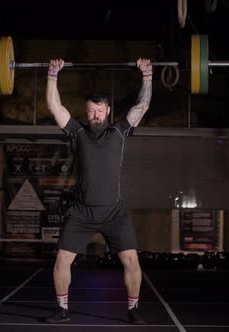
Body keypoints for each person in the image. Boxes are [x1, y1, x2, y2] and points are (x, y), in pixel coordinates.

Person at [44, 58, 153, 325]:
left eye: (100, 110)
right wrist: (52, 75)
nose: (95, 115)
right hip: (81, 211)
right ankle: (62, 309)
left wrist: (147, 76)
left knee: (131, 260)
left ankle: (133, 309)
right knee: (61, 261)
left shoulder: (119, 131)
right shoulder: (77, 132)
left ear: (108, 110)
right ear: (86, 110)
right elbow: (53, 105)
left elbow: (142, 106)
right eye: (91, 111)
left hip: (114, 212)